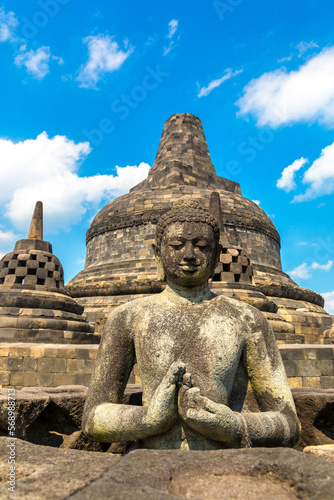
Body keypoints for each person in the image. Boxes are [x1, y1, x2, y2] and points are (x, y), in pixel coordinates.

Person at [82, 204, 300, 450]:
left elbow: (288, 423)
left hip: (227, 467)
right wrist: (149, 419)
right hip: (149, 467)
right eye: (176, 246)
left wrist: (235, 426)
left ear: (217, 255)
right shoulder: (127, 318)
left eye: (202, 246)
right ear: (158, 253)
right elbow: (92, 419)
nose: (189, 255)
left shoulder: (247, 319)